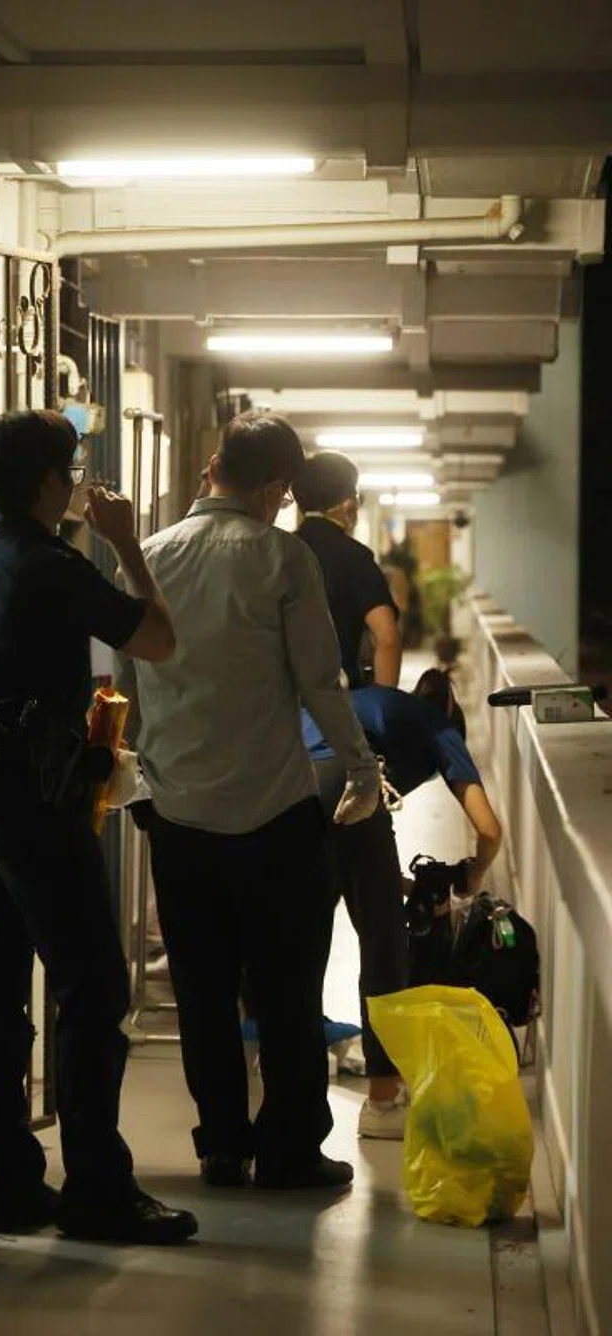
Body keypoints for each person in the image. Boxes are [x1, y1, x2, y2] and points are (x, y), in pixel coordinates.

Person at [0, 408, 197, 1246]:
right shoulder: (53, 563)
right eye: (73, 469)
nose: (79, 482)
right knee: (90, 983)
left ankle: (8, 1184)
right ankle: (97, 1191)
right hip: (37, 794)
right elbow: (158, 640)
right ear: (50, 482)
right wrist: (127, 544)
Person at [129, 411, 381, 1192]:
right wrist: (364, 771)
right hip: (273, 812)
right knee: (287, 986)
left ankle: (222, 1147)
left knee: (203, 990)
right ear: (274, 488)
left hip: (176, 813)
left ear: (212, 464)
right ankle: (289, 1150)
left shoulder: (148, 558)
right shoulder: (283, 559)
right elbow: (320, 681)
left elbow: (131, 686)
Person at [302, 667, 503, 1138]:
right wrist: (472, 874)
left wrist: (404, 887)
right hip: (352, 779)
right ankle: (383, 1101)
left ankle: (290, 1096)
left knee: (301, 948)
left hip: (288, 784)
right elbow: (489, 830)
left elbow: (354, 860)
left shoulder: (377, 704)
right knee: (384, 944)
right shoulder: (437, 726)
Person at [294, 451, 402, 687]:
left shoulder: (278, 552)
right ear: (348, 506)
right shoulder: (356, 558)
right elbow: (387, 637)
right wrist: (381, 706)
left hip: (280, 705)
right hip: (340, 703)